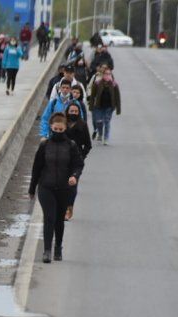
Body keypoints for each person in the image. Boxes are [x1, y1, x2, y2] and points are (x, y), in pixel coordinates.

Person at [29, 112, 84, 263]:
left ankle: (58, 247)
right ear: (51, 128)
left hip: (64, 188)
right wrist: (32, 189)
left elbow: (79, 164)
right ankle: (47, 250)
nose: (58, 132)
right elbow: (36, 168)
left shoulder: (71, 146)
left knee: (59, 219)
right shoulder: (44, 145)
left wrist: (74, 176)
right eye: (56, 129)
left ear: (65, 128)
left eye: (61, 130)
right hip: (46, 187)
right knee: (49, 218)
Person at [64, 103, 92, 221]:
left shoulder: (82, 125)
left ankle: (69, 208)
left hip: (76, 161)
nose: (73, 113)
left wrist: (81, 156)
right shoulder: (62, 125)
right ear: (67, 111)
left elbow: (88, 145)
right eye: (71, 111)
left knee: (72, 185)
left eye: (76, 111)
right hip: (61, 159)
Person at [90, 68, 121, 145]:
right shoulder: (97, 83)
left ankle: (106, 138)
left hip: (109, 107)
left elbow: (117, 97)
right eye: (106, 74)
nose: (107, 76)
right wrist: (91, 106)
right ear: (103, 75)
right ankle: (100, 134)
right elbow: (92, 96)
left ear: (111, 75)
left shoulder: (114, 84)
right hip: (98, 106)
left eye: (109, 74)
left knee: (107, 122)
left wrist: (118, 109)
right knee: (99, 122)